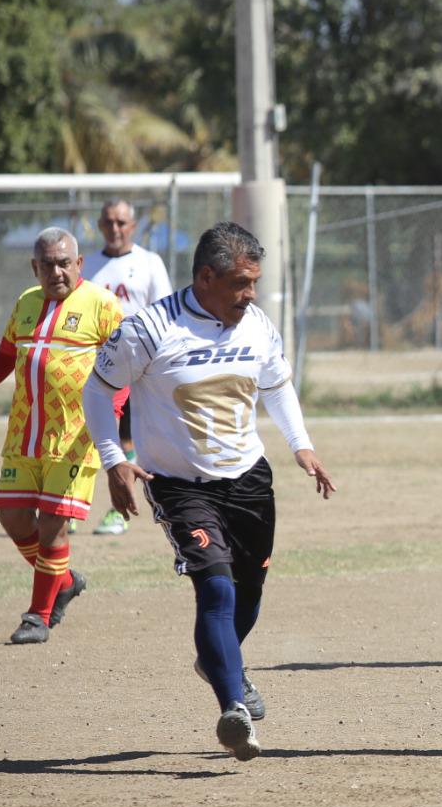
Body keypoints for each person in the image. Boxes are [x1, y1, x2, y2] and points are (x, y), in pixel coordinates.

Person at [81, 222, 336, 761]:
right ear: (205, 277)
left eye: (255, 283)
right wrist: (114, 462)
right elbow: (98, 389)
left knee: (249, 592)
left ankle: (218, 661)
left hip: (249, 480)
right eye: (241, 283)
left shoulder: (258, 326)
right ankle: (233, 707)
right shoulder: (149, 328)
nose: (251, 295)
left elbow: (277, 385)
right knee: (215, 589)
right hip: (178, 487)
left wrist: (301, 446)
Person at [0, 228, 123, 644]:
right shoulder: (26, 302)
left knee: (52, 530)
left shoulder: (103, 305)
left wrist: (110, 415)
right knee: (13, 518)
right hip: (25, 432)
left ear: (80, 263)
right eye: (48, 264)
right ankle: (62, 581)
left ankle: (37, 618)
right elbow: (6, 357)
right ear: (34, 267)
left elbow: (125, 365)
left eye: (65, 263)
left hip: (76, 435)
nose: (56, 271)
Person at [85, 198, 175, 534]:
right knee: (86, 439)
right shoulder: (88, 265)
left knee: (125, 440)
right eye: (108, 222)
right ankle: (73, 507)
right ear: (100, 225)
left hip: (136, 367)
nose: (115, 229)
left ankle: (117, 509)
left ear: (133, 227)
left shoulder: (150, 263)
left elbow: (165, 314)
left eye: (121, 223)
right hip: (94, 367)